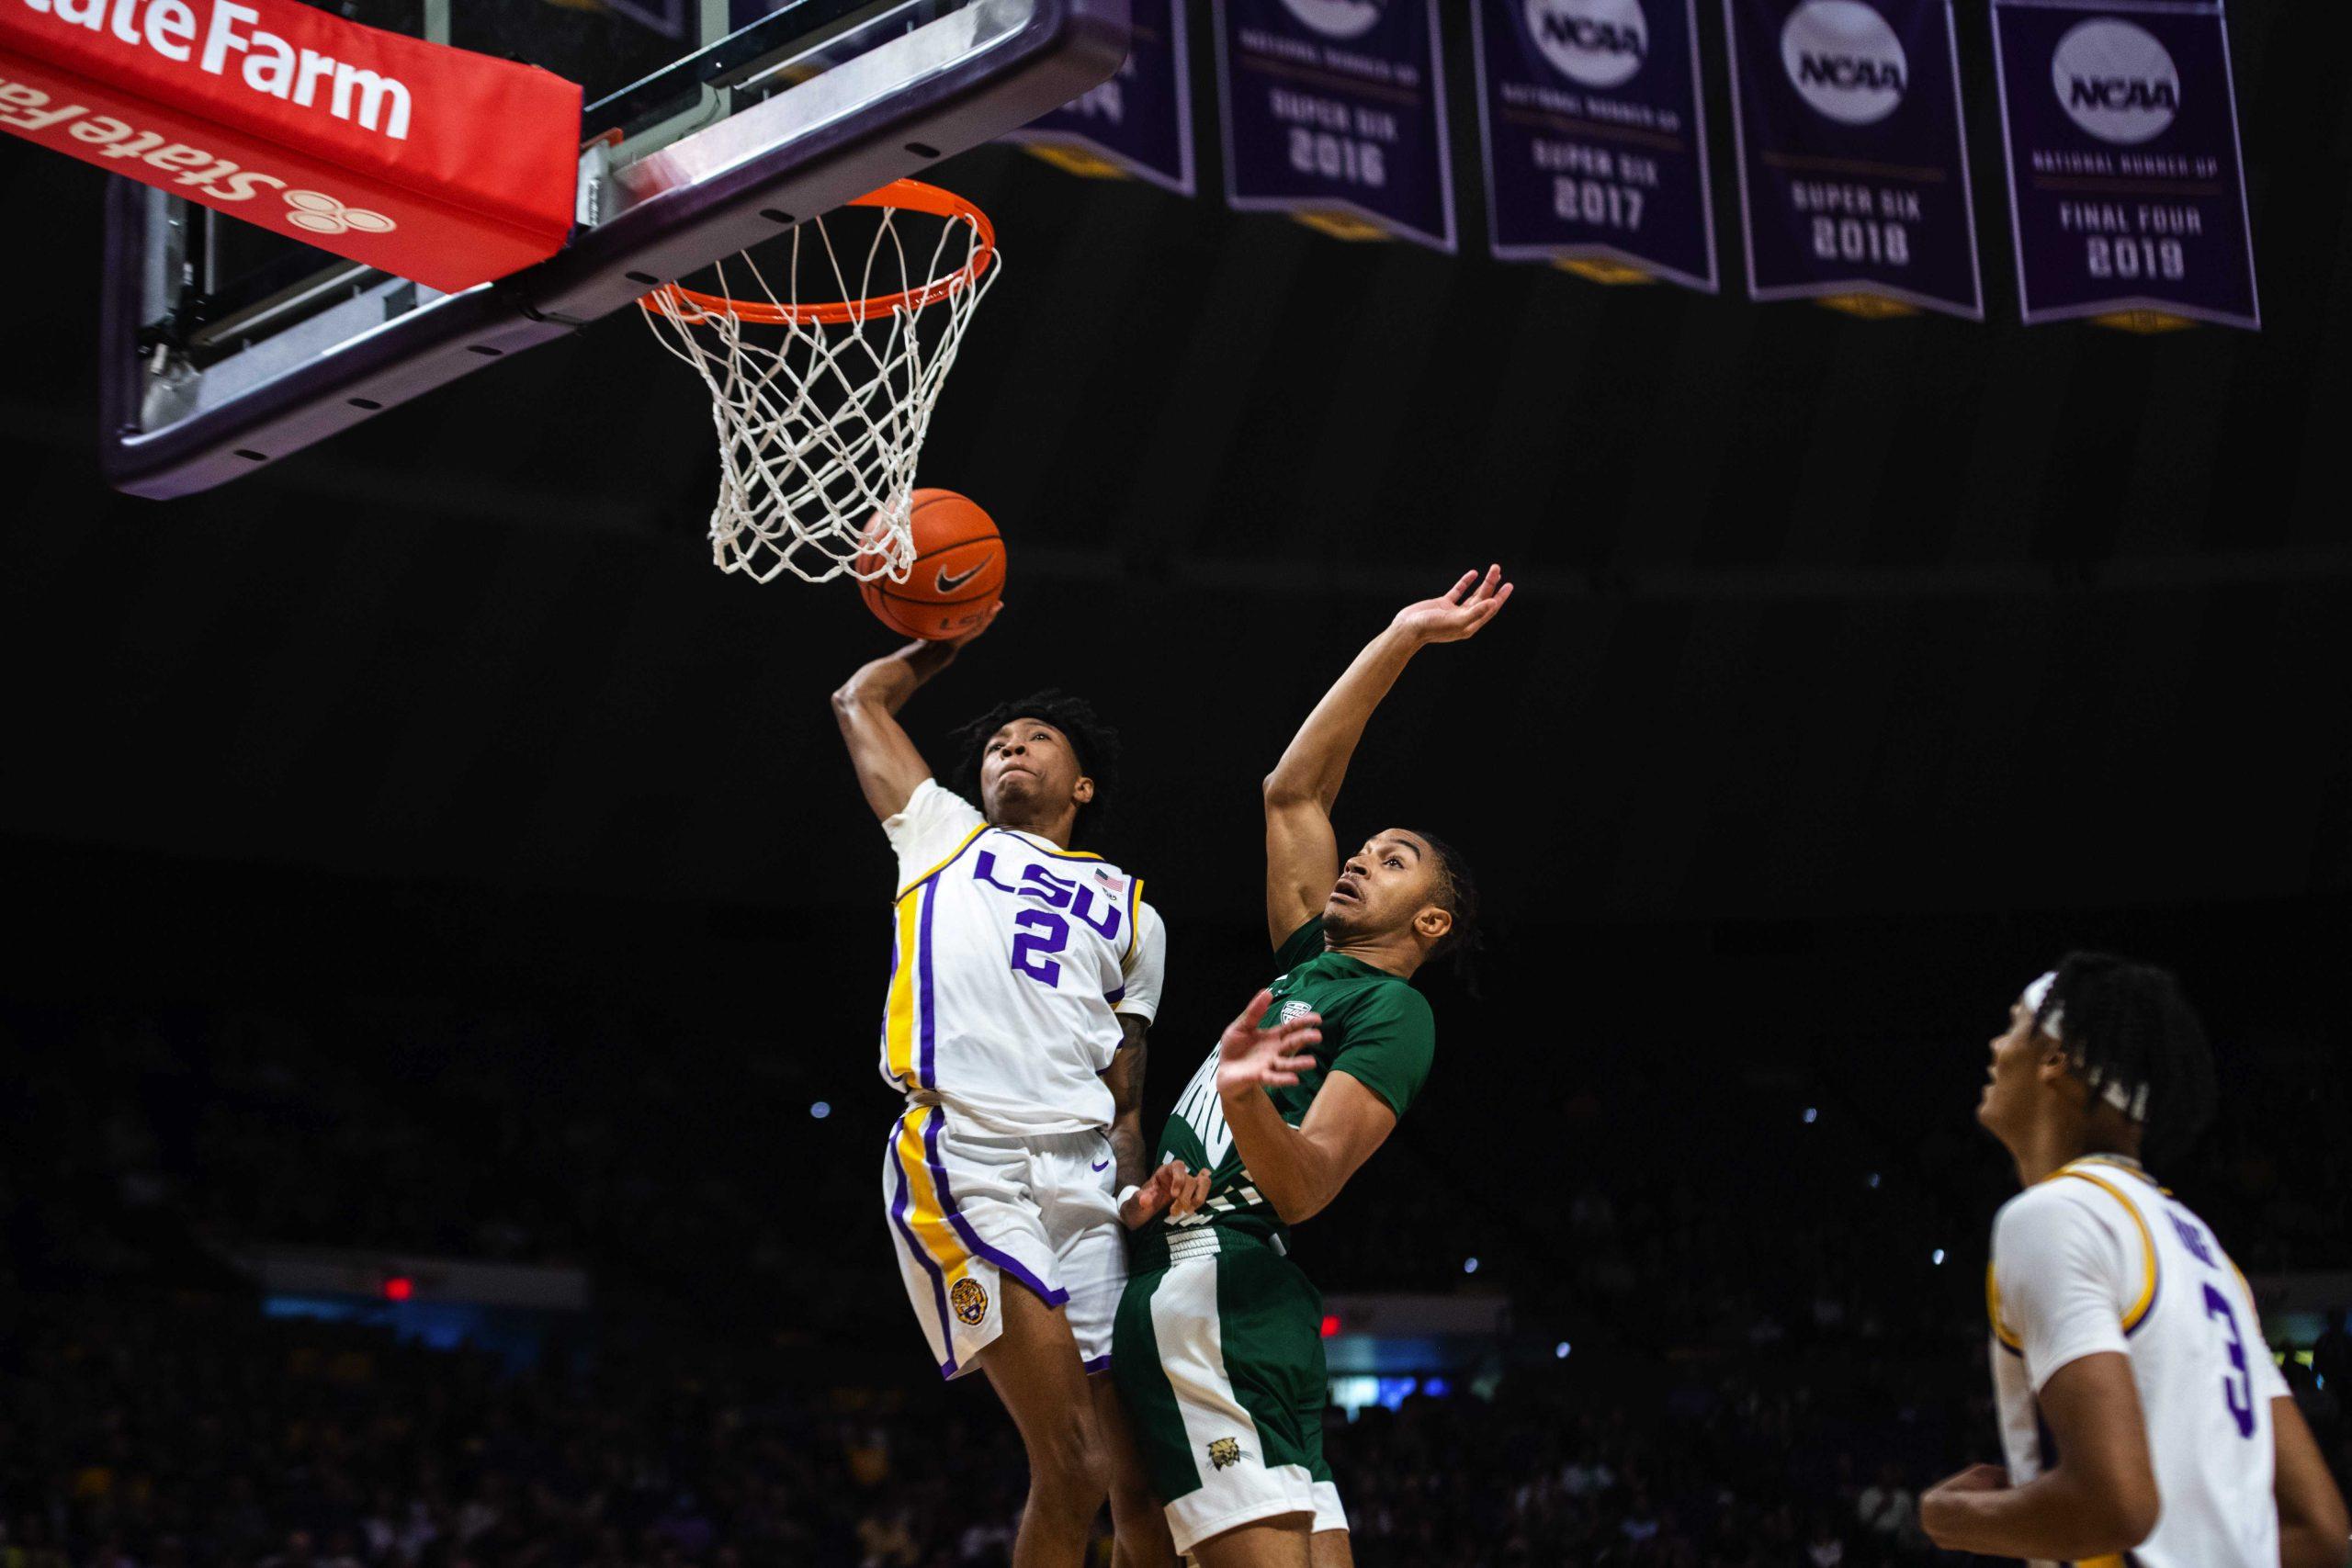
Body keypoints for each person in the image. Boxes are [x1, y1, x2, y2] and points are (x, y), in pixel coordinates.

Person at [1112, 567, 1512, 1568]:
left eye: (1391, 859)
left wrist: (1245, 1100)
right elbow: (1291, 790)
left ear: (1431, 921)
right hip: (1201, 1281)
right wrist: (1403, 636)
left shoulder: (1392, 1008)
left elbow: (1303, 1185)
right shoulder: (1309, 966)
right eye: (1365, 846)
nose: (1359, 855)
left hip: (1250, 1289)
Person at [832, 609, 1193, 1567]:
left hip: (1084, 1178)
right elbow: (856, 699)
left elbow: (1124, 1090)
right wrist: (933, 646)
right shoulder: (940, 834)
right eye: (995, 742)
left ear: (1080, 783)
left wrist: (1132, 1195)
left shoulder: (1132, 910)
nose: (1007, 746)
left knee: (1143, 1488)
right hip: (971, 1156)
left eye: (1034, 738)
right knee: (1071, 1465)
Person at [1922, 953, 2352, 1568]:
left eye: (2014, 1024)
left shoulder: (2053, 1214)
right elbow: (2322, 1532)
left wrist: (1948, 1516)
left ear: (2054, 1061)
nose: (1995, 1046)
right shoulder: (2204, 1250)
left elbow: (2114, 1506)